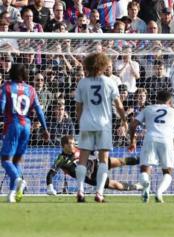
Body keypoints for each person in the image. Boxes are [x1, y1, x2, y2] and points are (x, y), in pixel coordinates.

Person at [74, 52, 127, 203]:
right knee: (103, 159)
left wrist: (80, 121)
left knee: (83, 158)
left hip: (86, 123)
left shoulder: (82, 83)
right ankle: (99, 193)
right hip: (104, 124)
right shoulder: (109, 82)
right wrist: (124, 120)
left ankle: (80, 191)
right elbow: (118, 105)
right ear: (103, 66)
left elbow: (78, 107)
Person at [0, 63, 49, 202]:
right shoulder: (31, 89)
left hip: (12, 125)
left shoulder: (7, 87)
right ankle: (11, 195)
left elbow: (1, 107)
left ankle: (18, 179)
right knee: (16, 161)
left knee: (5, 160)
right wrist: (45, 129)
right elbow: (39, 111)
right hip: (26, 126)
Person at [128, 90, 174, 203]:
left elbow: (132, 125)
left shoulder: (148, 109)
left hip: (150, 138)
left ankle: (145, 186)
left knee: (145, 167)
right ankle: (159, 192)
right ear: (170, 101)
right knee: (168, 171)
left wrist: (132, 141)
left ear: (157, 99)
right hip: (167, 140)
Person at [46, 135, 141, 195]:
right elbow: (50, 173)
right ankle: (138, 186)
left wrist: (95, 152)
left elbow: (88, 148)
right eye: (71, 144)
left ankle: (141, 160)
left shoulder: (77, 147)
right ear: (64, 146)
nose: (74, 146)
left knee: (120, 161)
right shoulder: (61, 159)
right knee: (116, 185)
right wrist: (50, 187)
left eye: (74, 143)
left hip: (96, 164)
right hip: (91, 177)